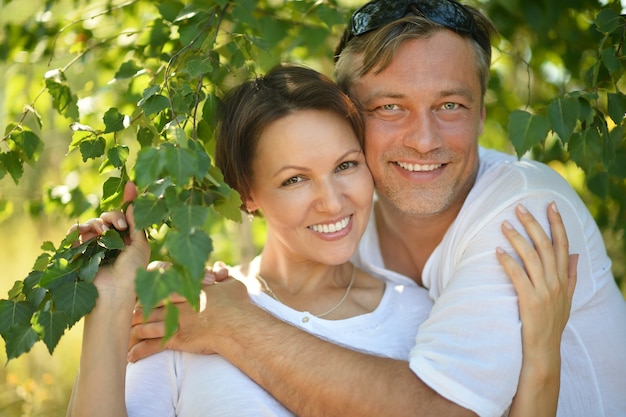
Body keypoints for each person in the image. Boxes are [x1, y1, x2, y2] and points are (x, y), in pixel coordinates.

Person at [127, 1, 626, 417]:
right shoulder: (352, 224)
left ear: (481, 113)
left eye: (450, 105)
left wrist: (232, 323)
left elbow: (442, 411)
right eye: (390, 106)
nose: (424, 140)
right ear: (348, 114)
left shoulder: (525, 208)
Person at [65, 64, 573, 417]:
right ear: (247, 193)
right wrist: (109, 302)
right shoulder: (189, 308)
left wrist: (543, 355)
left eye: (346, 166)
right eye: (294, 179)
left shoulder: (419, 318)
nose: (332, 201)